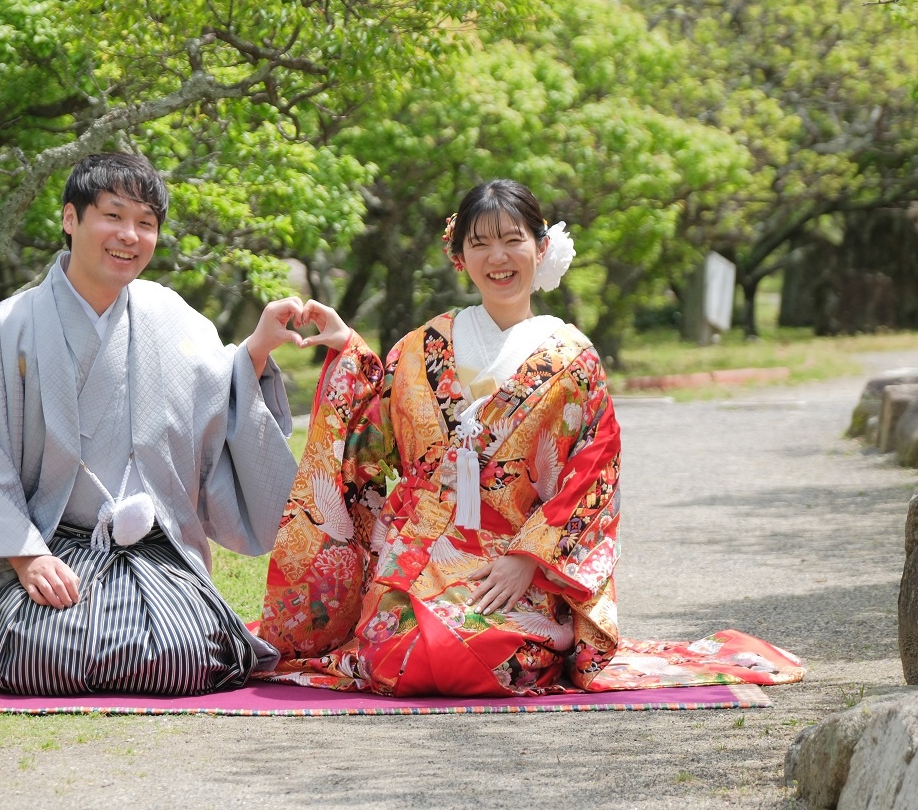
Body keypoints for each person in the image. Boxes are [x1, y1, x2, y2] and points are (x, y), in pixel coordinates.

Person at [256, 180, 802, 696]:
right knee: (393, 655)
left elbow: (594, 473)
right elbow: (366, 437)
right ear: (458, 256)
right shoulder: (421, 347)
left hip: (517, 563)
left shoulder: (572, 359)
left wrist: (529, 559)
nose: (498, 257)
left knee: (481, 651)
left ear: (540, 249)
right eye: (481, 243)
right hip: (420, 556)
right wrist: (346, 346)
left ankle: (536, 630)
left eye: (513, 240)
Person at [0, 152, 304, 696]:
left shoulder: (173, 318)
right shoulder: (11, 325)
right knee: (44, 651)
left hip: (152, 551)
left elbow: (222, 389)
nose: (129, 235)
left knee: (184, 655)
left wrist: (257, 351)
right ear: (70, 219)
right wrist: (26, 555)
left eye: (145, 223)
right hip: (48, 550)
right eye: (113, 215)